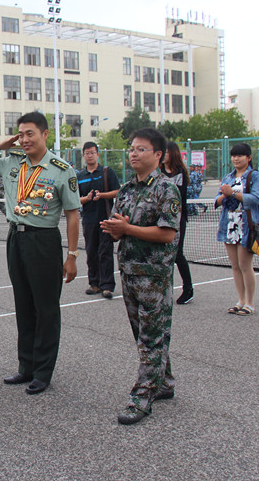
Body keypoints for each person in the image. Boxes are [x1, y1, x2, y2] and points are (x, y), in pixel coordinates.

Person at [0, 111, 80, 396]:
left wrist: (72, 255)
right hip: (15, 238)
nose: (25, 139)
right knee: (23, 304)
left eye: (30, 133)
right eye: (20, 134)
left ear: (46, 134)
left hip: (43, 241)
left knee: (45, 308)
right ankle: (26, 366)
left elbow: (72, 214)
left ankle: (43, 372)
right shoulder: (11, 163)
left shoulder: (61, 169)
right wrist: (0, 146)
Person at [100, 128, 180, 425]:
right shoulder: (127, 190)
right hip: (130, 273)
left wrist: (127, 229)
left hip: (154, 278)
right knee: (144, 335)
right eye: (131, 149)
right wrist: (114, 228)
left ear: (158, 155)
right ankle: (165, 382)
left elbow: (167, 233)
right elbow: (121, 226)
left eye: (141, 149)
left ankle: (141, 398)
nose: (133, 153)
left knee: (150, 337)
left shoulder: (166, 189)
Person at [214, 143, 259, 316]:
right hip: (229, 224)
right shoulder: (228, 176)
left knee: (245, 265)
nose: (236, 158)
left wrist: (232, 193)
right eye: (234, 155)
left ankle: (250, 303)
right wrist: (224, 195)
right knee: (235, 265)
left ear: (248, 157)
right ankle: (240, 300)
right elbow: (217, 200)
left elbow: (255, 199)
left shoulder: (254, 176)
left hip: (246, 224)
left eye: (240, 155)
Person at [77, 142, 120, 299]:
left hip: (106, 219)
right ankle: (94, 283)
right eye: (87, 153)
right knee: (91, 252)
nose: (90, 155)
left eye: (92, 152)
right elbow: (75, 199)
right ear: (83, 155)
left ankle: (107, 285)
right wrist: (87, 199)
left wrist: (103, 195)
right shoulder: (80, 176)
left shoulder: (107, 172)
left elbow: (117, 192)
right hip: (88, 220)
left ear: (98, 154)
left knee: (105, 252)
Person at [161, 142, 194, 305]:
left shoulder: (180, 172)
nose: (163, 154)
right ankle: (163, 288)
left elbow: (177, 197)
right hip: (160, 218)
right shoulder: (158, 171)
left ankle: (188, 289)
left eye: (166, 152)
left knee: (177, 254)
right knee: (163, 255)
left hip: (177, 218)